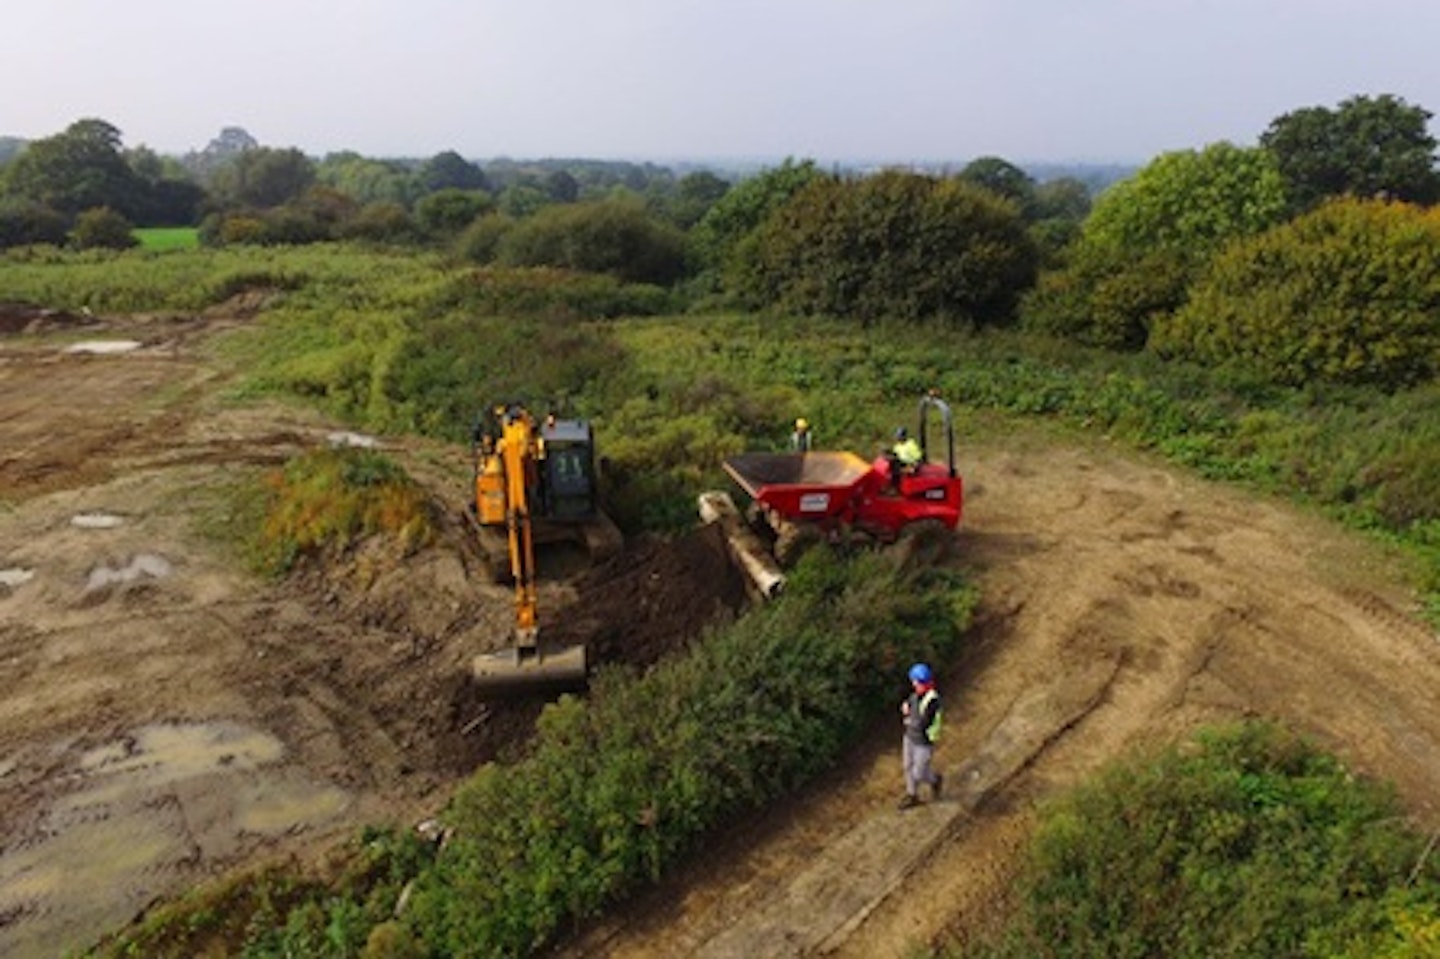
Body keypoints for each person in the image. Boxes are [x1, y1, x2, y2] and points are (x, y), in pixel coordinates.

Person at [898, 662, 943, 809]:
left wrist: (907, 718)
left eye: (916, 682)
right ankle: (912, 795)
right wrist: (907, 706)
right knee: (907, 766)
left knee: (919, 773)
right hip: (910, 738)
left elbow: (923, 723)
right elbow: (910, 703)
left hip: (924, 742)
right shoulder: (916, 694)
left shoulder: (933, 701)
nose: (914, 684)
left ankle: (935, 780)